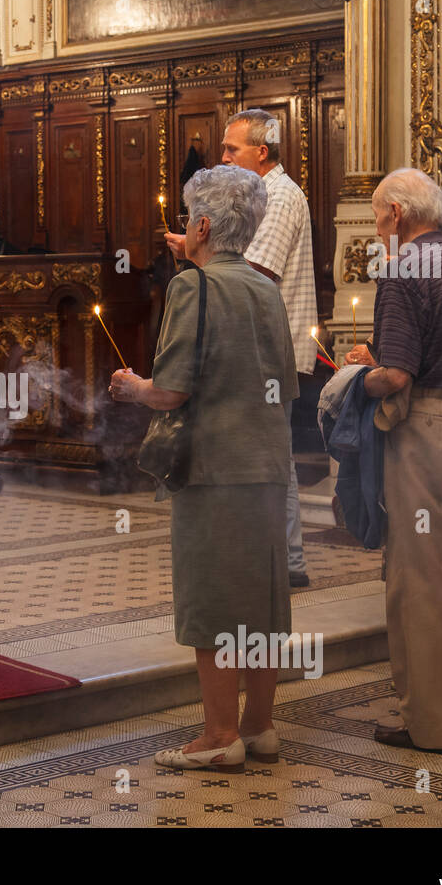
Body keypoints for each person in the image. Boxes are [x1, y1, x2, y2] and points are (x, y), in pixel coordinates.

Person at [111, 164, 297, 772]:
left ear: (204, 226)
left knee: (213, 603)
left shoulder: (195, 286)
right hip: (267, 465)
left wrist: (133, 386)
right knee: (262, 602)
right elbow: (285, 382)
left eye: (190, 220)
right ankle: (260, 725)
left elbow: (171, 390)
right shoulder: (266, 286)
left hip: (215, 471)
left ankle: (220, 737)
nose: (186, 231)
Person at [344, 167, 442, 752]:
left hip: (426, 432)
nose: (379, 226)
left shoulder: (403, 269)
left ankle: (433, 727)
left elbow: (397, 377)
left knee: (418, 578)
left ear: (400, 215)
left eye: (379, 215)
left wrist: (354, 378)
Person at [165, 108, 316, 588]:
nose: (223, 157)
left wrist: (198, 252)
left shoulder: (279, 196)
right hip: (258, 343)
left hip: (270, 346)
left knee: (277, 455)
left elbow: (256, 274)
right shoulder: (256, 195)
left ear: (262, 151)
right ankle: (276, 554)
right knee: (274, 453)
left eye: (232, 149)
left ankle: (286, 560)